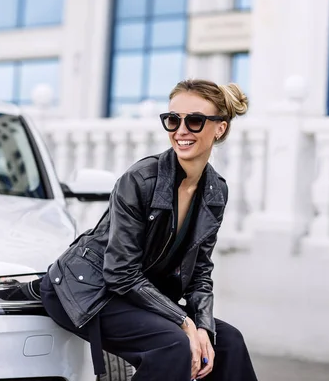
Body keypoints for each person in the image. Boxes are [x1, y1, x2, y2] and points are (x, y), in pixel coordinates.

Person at [39, 79, 259, 381]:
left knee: (228, 343)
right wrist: (184, 321)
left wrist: (204, 326)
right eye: (173, 120)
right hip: (87, 291)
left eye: (195, 121)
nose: (181, 131)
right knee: (173, 345)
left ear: (219, 128)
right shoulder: (140, 180)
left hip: (137, 295)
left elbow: (200, 272)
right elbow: (119, 273)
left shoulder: (215, 191)